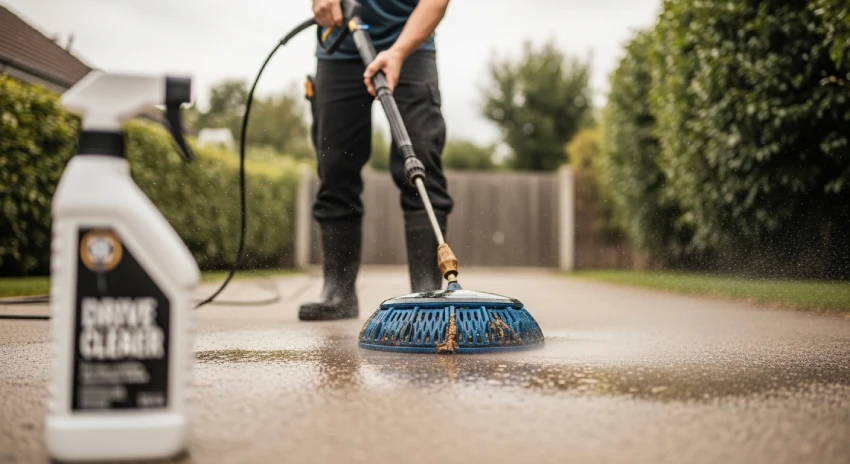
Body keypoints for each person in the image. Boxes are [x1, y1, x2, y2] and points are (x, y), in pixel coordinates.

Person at [298, 0, 454, 321]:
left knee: (422, 160)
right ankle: (338, 293)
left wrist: (398, 52)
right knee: (335, 168)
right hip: (339, 49)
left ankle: (427, 293)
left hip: (411, 47)